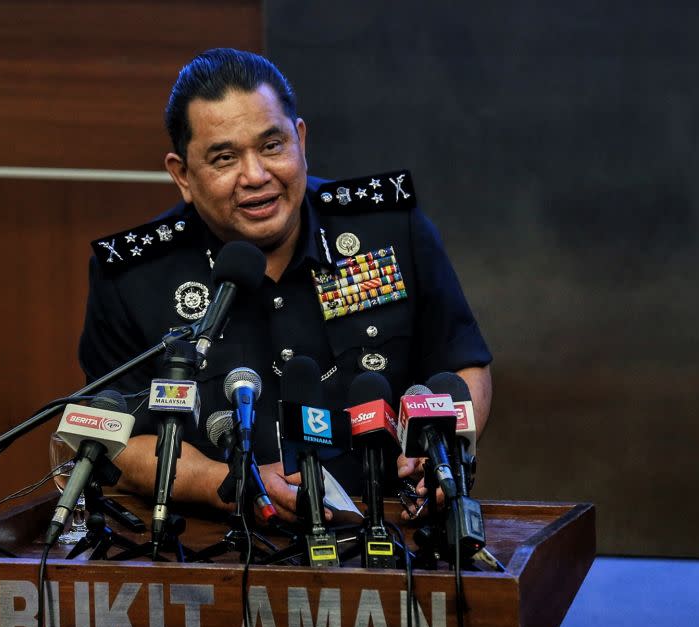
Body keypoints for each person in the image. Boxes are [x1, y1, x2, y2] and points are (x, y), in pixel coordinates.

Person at [79, 48, 492, 521]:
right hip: (217, 544)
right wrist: (231, 485)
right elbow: (116, 436)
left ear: (300, 139)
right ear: (182, 175)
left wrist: (444, 456)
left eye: (271, 146)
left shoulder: (393, 230)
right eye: (224, 157)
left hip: (392, 526)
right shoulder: (133, 276)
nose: (255, 176)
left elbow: (464, 366)